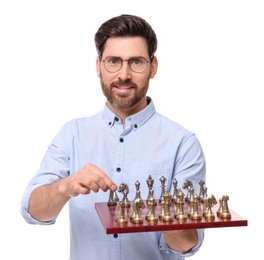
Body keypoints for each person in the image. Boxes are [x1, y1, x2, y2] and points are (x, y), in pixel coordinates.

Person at [21, 14, 206, 260]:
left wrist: (161, 212)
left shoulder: (183, 144)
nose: (124, 74)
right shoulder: (72, 134)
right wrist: (65, 186)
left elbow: (187, 244)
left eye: (137, 62)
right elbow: (33, 211)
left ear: (153, 67)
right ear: (98, 66)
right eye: (113, 61)